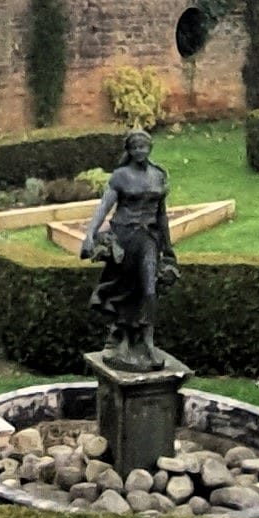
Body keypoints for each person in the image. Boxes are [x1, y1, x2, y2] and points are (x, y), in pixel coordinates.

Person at [83, 128, 176, 361]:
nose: (139, 151)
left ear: (150, 147)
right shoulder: (120, 176)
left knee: (149, 288)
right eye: (134, 147)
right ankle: (123, 338)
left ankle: (147, 339)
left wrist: (168, 246)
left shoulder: (158, 175)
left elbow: (161, 214)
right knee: (125, 289)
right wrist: (90, 233)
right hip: (124, 239)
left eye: (143, 146)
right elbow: (104, 207)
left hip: (148, 239)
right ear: (129, 150)